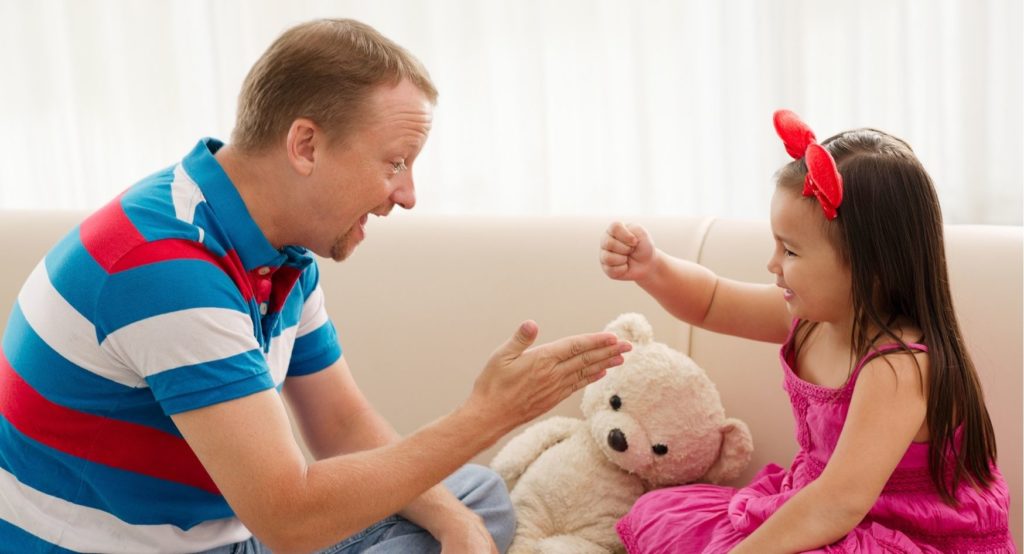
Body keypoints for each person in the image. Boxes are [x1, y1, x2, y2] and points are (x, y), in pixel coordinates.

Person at [0, 18, 632, 553]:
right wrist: (484, 417)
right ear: (305, 144)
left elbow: (340, 423)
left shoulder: (280, 249)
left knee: (472, 497)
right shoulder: (167, 270)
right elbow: (290, 519)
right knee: (435, 496)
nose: (407, 195)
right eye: (395, 162)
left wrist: (460, 526)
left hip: (232, 531)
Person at [601, 110, 1014, 552]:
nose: (772, 264)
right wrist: (654, 268)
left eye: (791, 250)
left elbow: (838, 503)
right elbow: (712, 301)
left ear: (869, 266)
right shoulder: (808, 322)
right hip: (818, 511)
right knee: (661, 512)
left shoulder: (899, 366)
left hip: (900, 535)